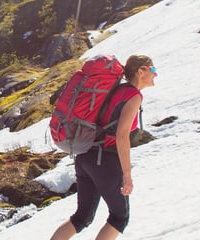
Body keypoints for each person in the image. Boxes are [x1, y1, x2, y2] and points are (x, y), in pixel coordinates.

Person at [51, 55, 156, 240]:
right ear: (141, 71)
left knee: (81, 217)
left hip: (85, 156)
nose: (156, 75)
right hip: (105, 160)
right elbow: (122, 136)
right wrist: (127, 174)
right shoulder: (133, 96)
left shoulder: (116, 90)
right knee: (119, 218)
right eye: (153, 70)